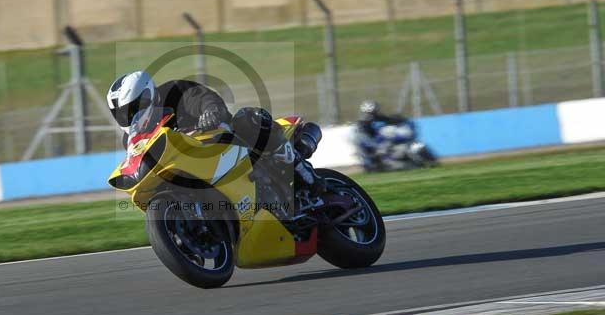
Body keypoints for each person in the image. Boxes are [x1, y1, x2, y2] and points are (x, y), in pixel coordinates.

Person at [106, 71, 321, 192]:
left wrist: (210, 112)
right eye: (123, 113)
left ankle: (301, 169)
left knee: (248, 117)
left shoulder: (174, 91)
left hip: (222, 141)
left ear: (148, 96)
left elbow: (205, 98)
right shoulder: (131, 140)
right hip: (192, 169)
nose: (130, 117)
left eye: (133, 109)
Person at [355, 100, 407, 170]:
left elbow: (386, 119)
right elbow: (367, 131)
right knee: (378, 147)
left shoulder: (373, 117)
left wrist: (395, 119)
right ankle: (377, 163)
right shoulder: (365, 120)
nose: (375, 112)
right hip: (366, 139)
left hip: (369, 138)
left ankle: (382, 161)